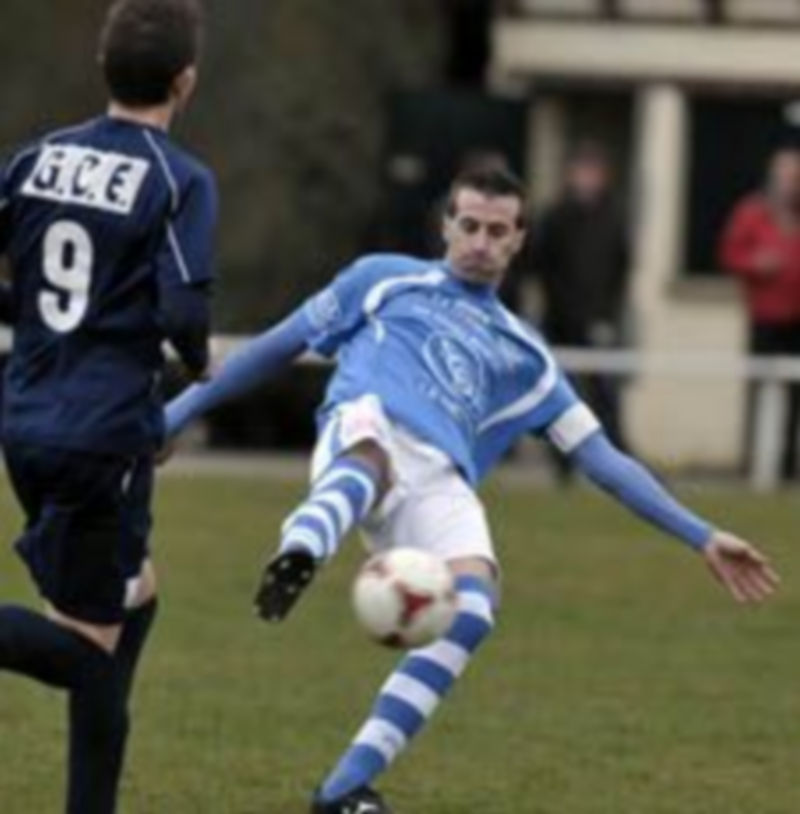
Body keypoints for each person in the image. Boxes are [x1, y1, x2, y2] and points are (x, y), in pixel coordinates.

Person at [166, 167, 777, 814]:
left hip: (439, 478)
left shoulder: (528, 358)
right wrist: (170, 416)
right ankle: (302, 546)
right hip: (364, 424)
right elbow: (275, 346)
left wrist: (702, 535)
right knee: (369, 455)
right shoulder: (383, 278)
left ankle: (344, 790)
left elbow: (603, 459)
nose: (481, 242)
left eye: (497, 230)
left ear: (518, 240)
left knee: (474, 609)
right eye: (470, 227)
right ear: (446, 227)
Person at [0, 1, 216, 812]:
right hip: (104, 439)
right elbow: (186, 315)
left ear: (102, 64)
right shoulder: (178, 180)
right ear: (185, 81)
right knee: (89, 651)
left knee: (137, 596)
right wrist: (194, 372)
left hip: (23, 423)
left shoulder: (35, 158)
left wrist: (31, 315)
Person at [531, 142, 632, 478]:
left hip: (600, 320)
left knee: (606, 396)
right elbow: (543, 268)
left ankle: (616, 464)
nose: (589, 179)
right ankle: (563, 467)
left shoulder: (613, 217)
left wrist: (606, 313)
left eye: (595, 172)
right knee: (563, 399)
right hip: (561, 322)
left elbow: (621, 267)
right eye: (583, 171)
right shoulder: (555, 217)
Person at [719, 147, 800, 481]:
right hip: (765, 318)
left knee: (795, 398)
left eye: (795, 176)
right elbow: (728, 255)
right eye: (784, 174)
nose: (789, 182)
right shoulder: (752, 212)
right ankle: (751, 465)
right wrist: (756, 263)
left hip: (797, 319)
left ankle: (785, 469)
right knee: (757, 389)